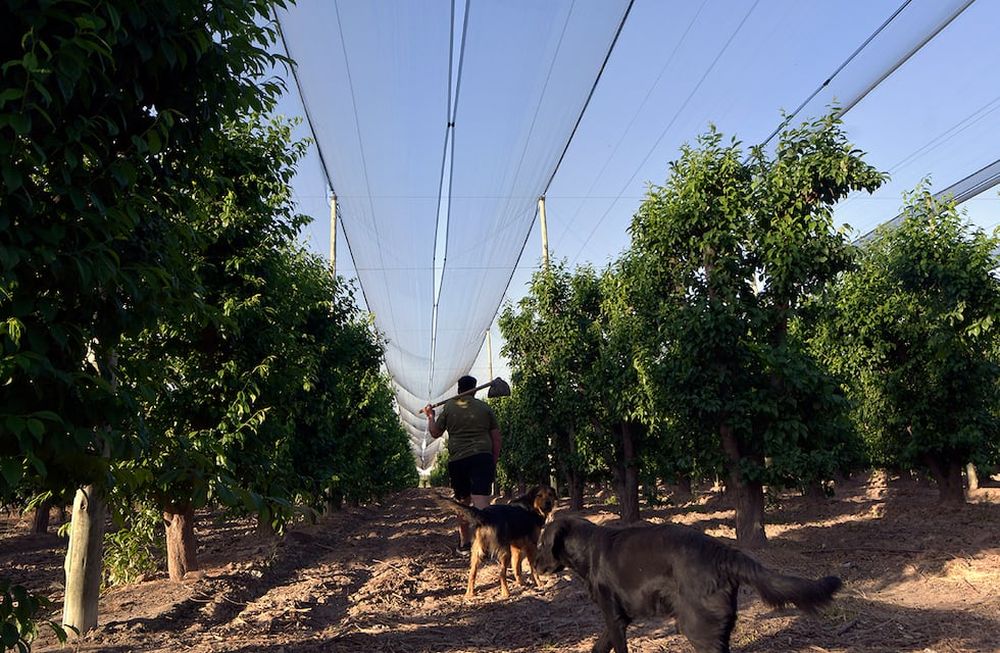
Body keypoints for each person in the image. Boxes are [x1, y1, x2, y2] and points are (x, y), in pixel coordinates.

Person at [425, 375, 502, 552]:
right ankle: (486, 545)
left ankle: (465, 542)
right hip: (482, 457)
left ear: (458, 389)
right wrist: (493, 460)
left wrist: (430, 416)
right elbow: (496, 438)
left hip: (458, 460)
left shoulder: (450, 407)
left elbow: (435, 432)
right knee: (481, 500)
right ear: (474, 389)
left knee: (462, 502)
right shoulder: (484, 408)